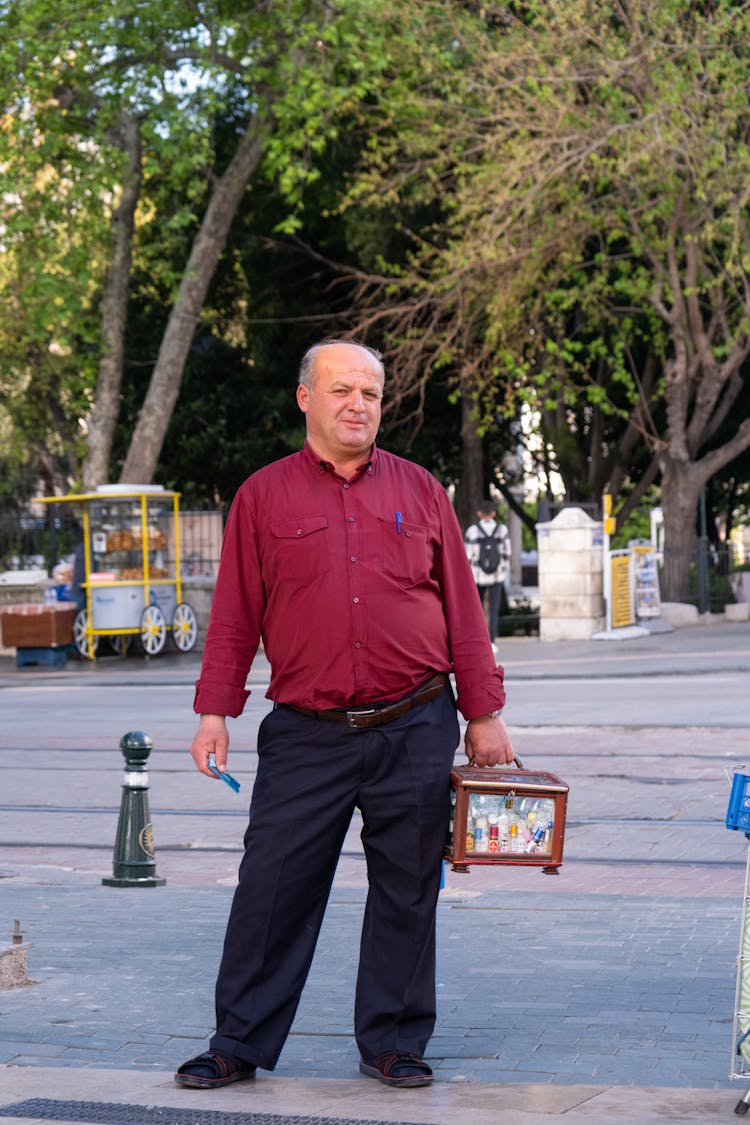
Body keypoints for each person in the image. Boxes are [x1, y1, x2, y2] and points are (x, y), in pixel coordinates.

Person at [175, 339, 514, 1093]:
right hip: (306, 730)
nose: (358, 403)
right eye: (342, 390)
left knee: (408, 888)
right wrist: (213, 712)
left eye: (370, 392)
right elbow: (234, 614)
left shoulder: (422, 490)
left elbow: (461, 604)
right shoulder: (262, 497)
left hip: (418, 721)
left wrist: (484, 711)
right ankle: (236, 1041)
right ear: (306, 398)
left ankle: (393, 1040)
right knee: (272, 886)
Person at [464, 500, 511, 644]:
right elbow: (507, 553)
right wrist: (502, 570)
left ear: (479, 513)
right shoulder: (502, 530)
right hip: (497, 576)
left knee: (477, 609)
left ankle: (479, 640)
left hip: (477, 576)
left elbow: (467, 556)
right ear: (493, 513)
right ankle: (492, 641)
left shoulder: (472, 531)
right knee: (493, 609)